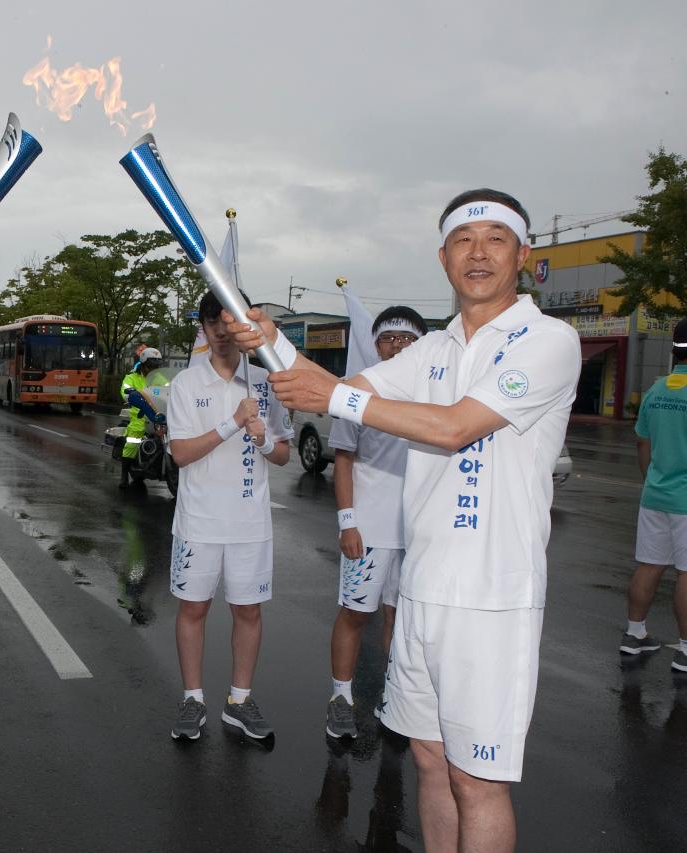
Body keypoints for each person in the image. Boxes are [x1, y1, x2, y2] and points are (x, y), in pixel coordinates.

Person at [227, 189, 581, 852]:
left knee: (478, 782)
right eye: (463, 239)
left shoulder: (548, 341)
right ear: (442, 256)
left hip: (490, 598)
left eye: (495, 238)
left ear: (524, 255)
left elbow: (452, 428)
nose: (478, 252)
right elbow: (341, 385)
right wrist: (273, 342)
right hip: (421, 591)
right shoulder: (433, 350)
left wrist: (333, 393)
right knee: (428, 760)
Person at [165, 291, 292, 742]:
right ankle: (193, 699)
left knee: (248, 610)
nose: (221, 331)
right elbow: (180, 454)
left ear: (243, 324)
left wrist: (260, 439)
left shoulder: (267, 381)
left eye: (228, 320)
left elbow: (282, 455)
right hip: (198, 522)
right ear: (203, 327)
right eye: (212, 321)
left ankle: (239, 700)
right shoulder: (186, 384)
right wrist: (232, 424)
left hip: (249, 523)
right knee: (193, 608)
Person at [325, 306, 426, 739]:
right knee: (354, 614)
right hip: (369, 530)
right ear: (376, 345)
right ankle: (341, 697)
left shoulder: (435, 398)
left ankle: (394, 696)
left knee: (400, 619)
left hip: (419, 532)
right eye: (389, 338)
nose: (398, 345)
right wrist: (348, 523)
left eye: (408, 339)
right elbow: (343, 461)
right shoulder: (357, 397)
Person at [619, 317, 687, 673]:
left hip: (655, 494)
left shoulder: (657, 390)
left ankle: (634, 634)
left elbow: (642, 442)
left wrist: (652, 480)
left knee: (649, 566)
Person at [118, 347, 163, 489]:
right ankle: (124, 474)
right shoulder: (131, 377)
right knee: (132, 442)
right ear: (143, 364)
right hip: (139, 416)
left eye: (155, 366)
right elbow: (124, 390)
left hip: (157, 415)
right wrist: (130, 394)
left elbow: (170, 388)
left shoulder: (158, 378)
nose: (153, 369)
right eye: (151, 366)